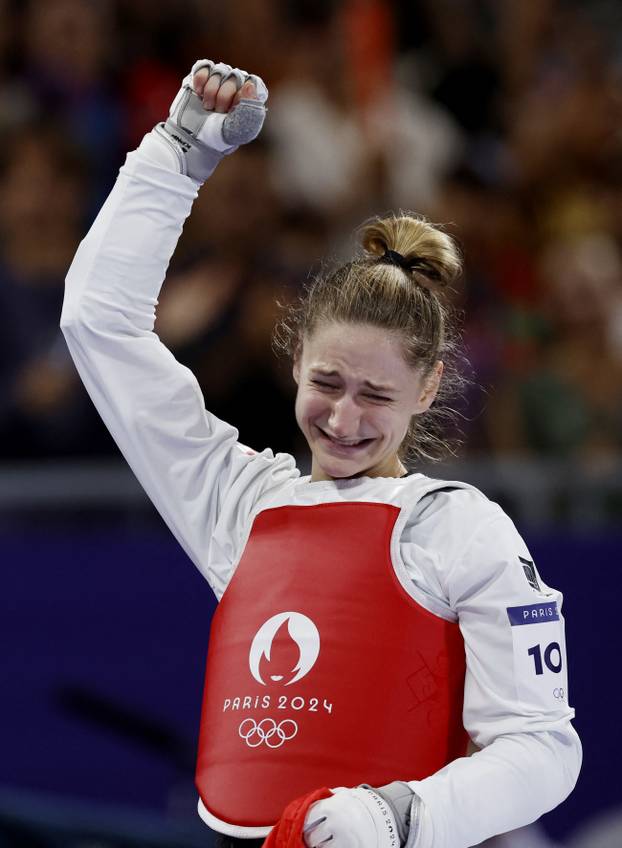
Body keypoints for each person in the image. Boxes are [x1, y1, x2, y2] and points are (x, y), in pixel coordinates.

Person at [60, 59, 581, 848]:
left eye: (376, 395)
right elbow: (99, 325)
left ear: (429, 386)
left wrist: (401, 814)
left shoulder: (460, 531)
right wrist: (175, 156)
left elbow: (545, 747)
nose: (342, 417)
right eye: (328, 381)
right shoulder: (240, 506)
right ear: (296, 357)